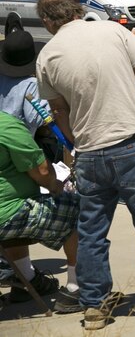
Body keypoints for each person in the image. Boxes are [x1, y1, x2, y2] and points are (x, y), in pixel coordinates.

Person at [35, 0, 135, 330]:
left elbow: (59, 111)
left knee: (91, 232)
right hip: (130, 143)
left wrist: (78, 141)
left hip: (90, 151)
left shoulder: (47, 56)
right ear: (76, 10)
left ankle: (95, 306)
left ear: (47, 21)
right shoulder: (112, 30)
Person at [0, 111, 80, 312]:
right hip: (7, 214)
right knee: (81, 209)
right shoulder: (6, 126)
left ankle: (26, 278)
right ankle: (78, 287)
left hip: (9, 212)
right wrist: (56, 186)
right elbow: (42, 171)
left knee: (21, 208)